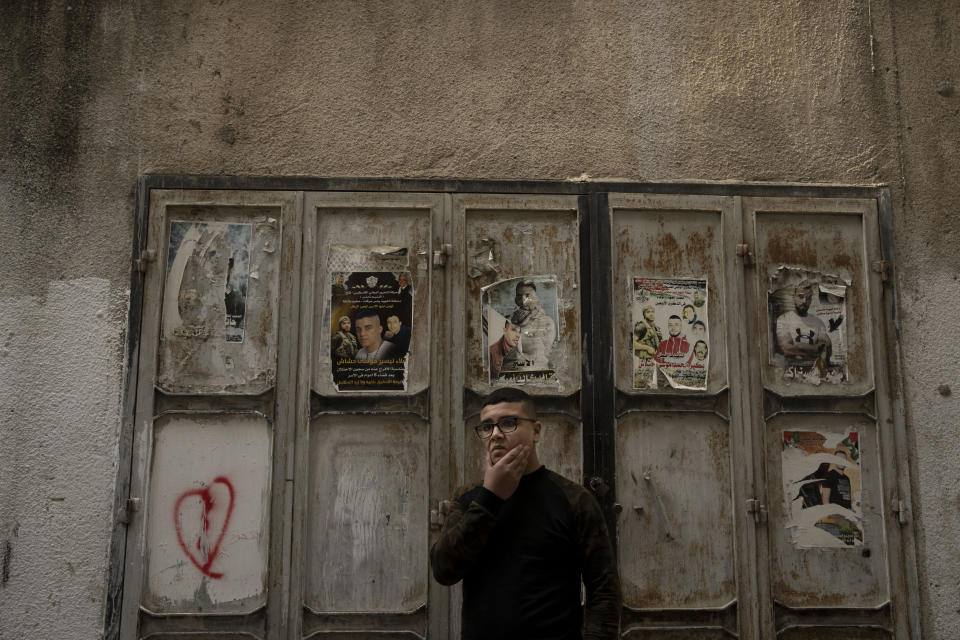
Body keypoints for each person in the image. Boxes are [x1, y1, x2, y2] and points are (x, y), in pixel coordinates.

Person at [431, 388, 621, 640]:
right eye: (487, 427)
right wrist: (491, 497)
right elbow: (444, 570)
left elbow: (604, 590)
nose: (496, 434)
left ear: (536, 431)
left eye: (508, 423)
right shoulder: (468, 498)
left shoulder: (574, 500)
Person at [775, 280, 832, 366]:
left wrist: (798, 346)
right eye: (801, 297)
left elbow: (825, 349)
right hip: (790, 372)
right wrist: (814, 349)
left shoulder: (818, 322)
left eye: (808, 298)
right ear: (793, 297)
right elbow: (786, 349)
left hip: (814, 373)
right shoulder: (783, 319)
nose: (804, 301)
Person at [509, 280, 556, 369]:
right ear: (515, 299)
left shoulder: (547, 322)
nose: (523, 300)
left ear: (535, 298)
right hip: (512, 373)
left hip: (538, 372)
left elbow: (544, 354)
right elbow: (504, 353)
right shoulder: (508, 321)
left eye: (527, 295)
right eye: (519, 296)